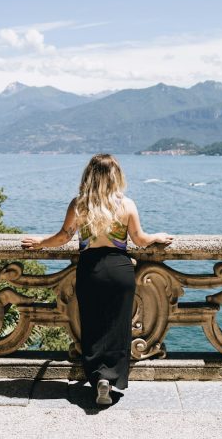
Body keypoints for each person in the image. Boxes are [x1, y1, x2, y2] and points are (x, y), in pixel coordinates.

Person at [21, 154, 172, 405]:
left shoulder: (80, 204)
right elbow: (140, 240)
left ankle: (98, 377)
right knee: (118, 327)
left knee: (92, 325)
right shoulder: (127, 205)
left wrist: (39, 243)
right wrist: (157, 236)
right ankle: (111, 378)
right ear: (116, 176)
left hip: (91, 269)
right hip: (120, 270)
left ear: (89, 175)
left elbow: (63, 237)